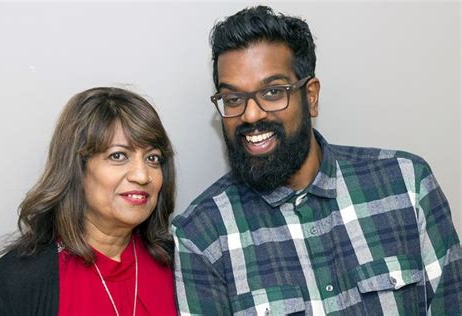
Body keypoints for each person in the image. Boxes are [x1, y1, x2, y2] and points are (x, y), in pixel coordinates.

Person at [172, 6, 461, 315]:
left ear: (310, 96)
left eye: (272, 92)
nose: (251, 114)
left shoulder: (407, 184)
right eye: (233, 99)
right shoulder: (200, 236)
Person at [0, 87, 177, 315]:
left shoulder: (182, 263)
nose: (142, 175)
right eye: (118, 156)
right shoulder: (17, 280)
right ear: (77, 169)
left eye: (152, 158)